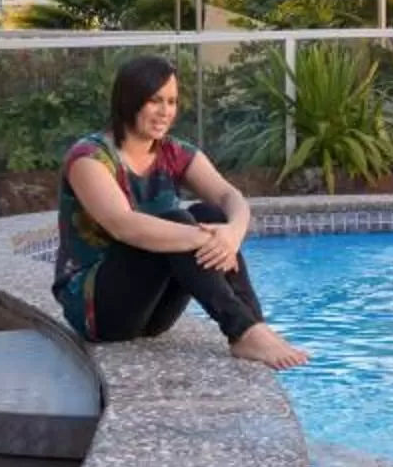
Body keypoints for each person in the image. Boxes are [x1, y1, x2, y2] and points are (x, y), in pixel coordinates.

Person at [55, 55, 307, 370]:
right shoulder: (90, 158)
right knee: (178, 221)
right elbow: (124, 225)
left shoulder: (174, 151)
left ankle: (252, 325)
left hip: (152, 313)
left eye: (172, 102)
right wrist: (203, 237)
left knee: (212, 212)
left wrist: (230, 234)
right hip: (99, 310)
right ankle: (244, 330)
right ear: (129, 101)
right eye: (154, 101)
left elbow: (231, 196)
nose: (166, 112)